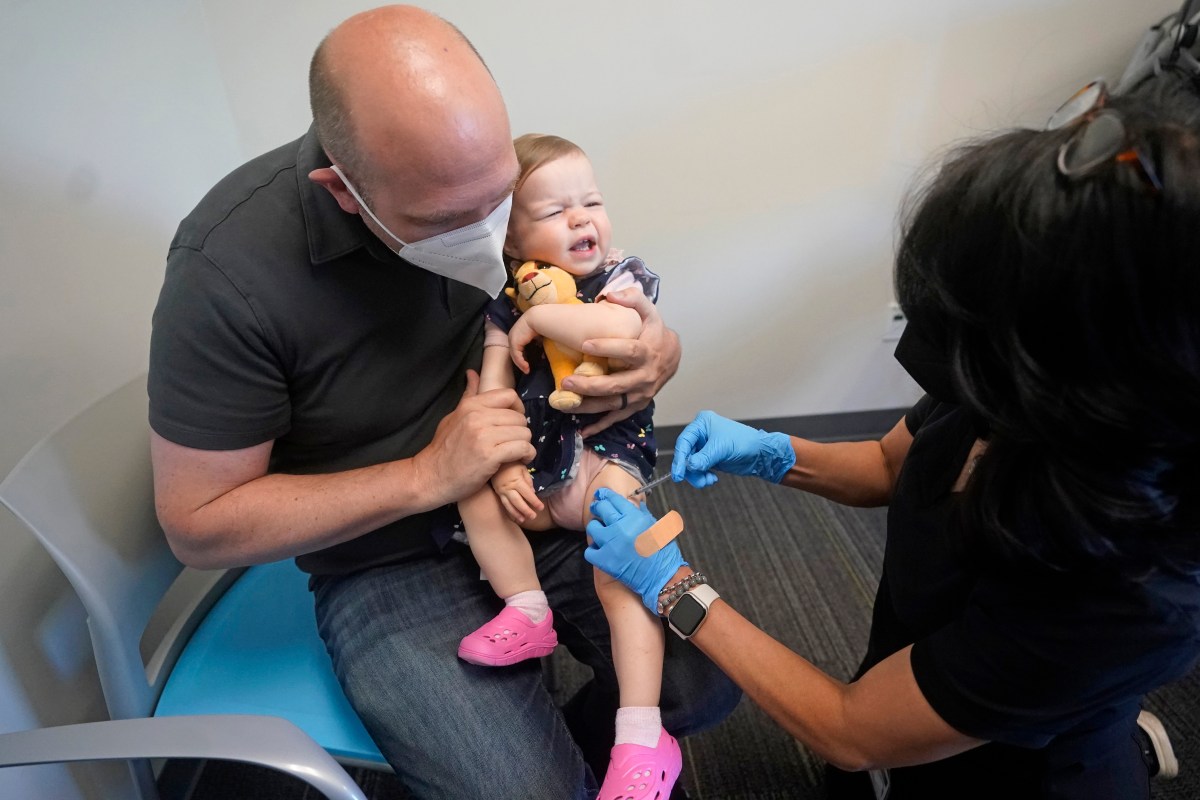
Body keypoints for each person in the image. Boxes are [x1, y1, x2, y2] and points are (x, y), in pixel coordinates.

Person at [146, 6, 739, 799]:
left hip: (541, 489)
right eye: (447, 223)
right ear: (343, 192)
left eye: (499, 200)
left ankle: (585, 751)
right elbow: (199, 522)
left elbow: (601, 285)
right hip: (385, 556)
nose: (491, 235)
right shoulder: (227, 274)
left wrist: (660, 349)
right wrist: (428, 475)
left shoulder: (475, 173)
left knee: (708, 683)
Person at [583, 76, 1200, 799]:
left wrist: (672, 586)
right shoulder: (1004, 381)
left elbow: (850, 728)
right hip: (934, 671)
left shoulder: (1128, 595)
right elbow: (886, 464)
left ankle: (1101, 727)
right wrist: (768, 450)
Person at [455, 132, 682, 795]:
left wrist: (543, 318)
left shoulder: (621, 275)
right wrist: (500, 468)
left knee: (620, 555)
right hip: (536, 470)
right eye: (555, 212)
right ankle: (527, 610)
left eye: (591, 202)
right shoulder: (507, 298)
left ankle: (642, 736)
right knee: (471, 490)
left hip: (602, 464)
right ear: (513, 242)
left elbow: (615, 337)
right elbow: (495, 388)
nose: (582, 219)